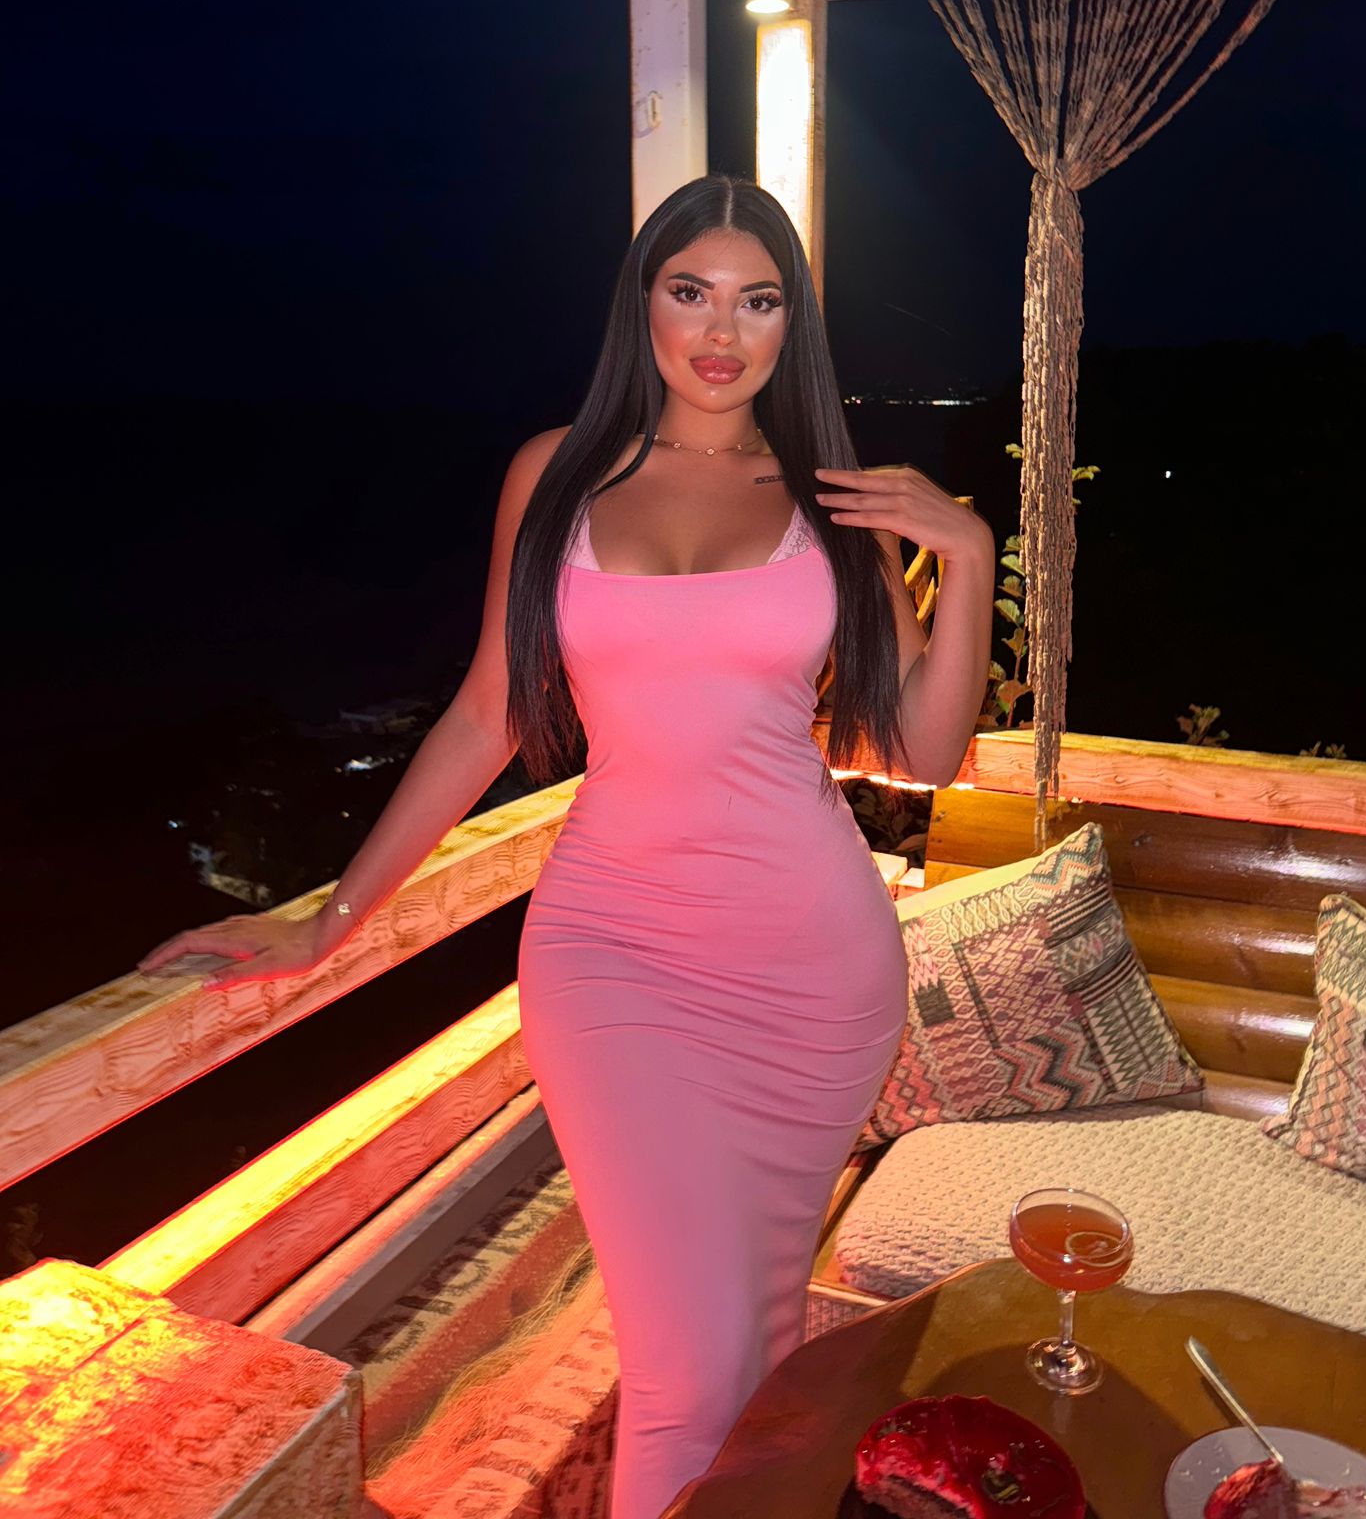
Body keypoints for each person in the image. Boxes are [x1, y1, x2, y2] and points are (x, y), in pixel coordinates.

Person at [139, 173, 997, 1518]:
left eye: (760, 301)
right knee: (686, 1371)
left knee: (764, 1340)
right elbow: (488, 710)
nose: (723, 332)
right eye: (691, 291)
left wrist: (972, 555)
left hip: (812, 968)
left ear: (795, 325)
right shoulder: (556, 476)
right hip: (616, 957)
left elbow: (926, 754)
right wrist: (329, 918)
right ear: (641, 303)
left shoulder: (828, 501)